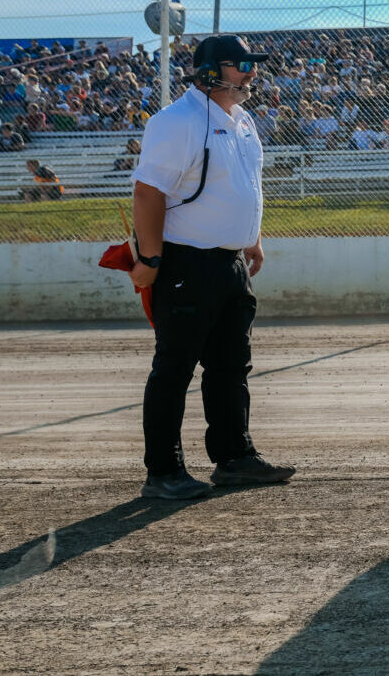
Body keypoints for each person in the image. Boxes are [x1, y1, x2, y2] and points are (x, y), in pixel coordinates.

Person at [130, 34, 295, 500]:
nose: (251, 72)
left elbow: (246, 184)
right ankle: (163, 472)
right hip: (186, 262)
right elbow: (148, 192)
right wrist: (149, 258)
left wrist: (252, 241)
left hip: (228, 264)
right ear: (208, 72)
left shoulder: (240, 120)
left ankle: (235, 458)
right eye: (240, 64)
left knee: (231, 366)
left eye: (251, 64)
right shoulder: (177, 121)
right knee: (175, 368)